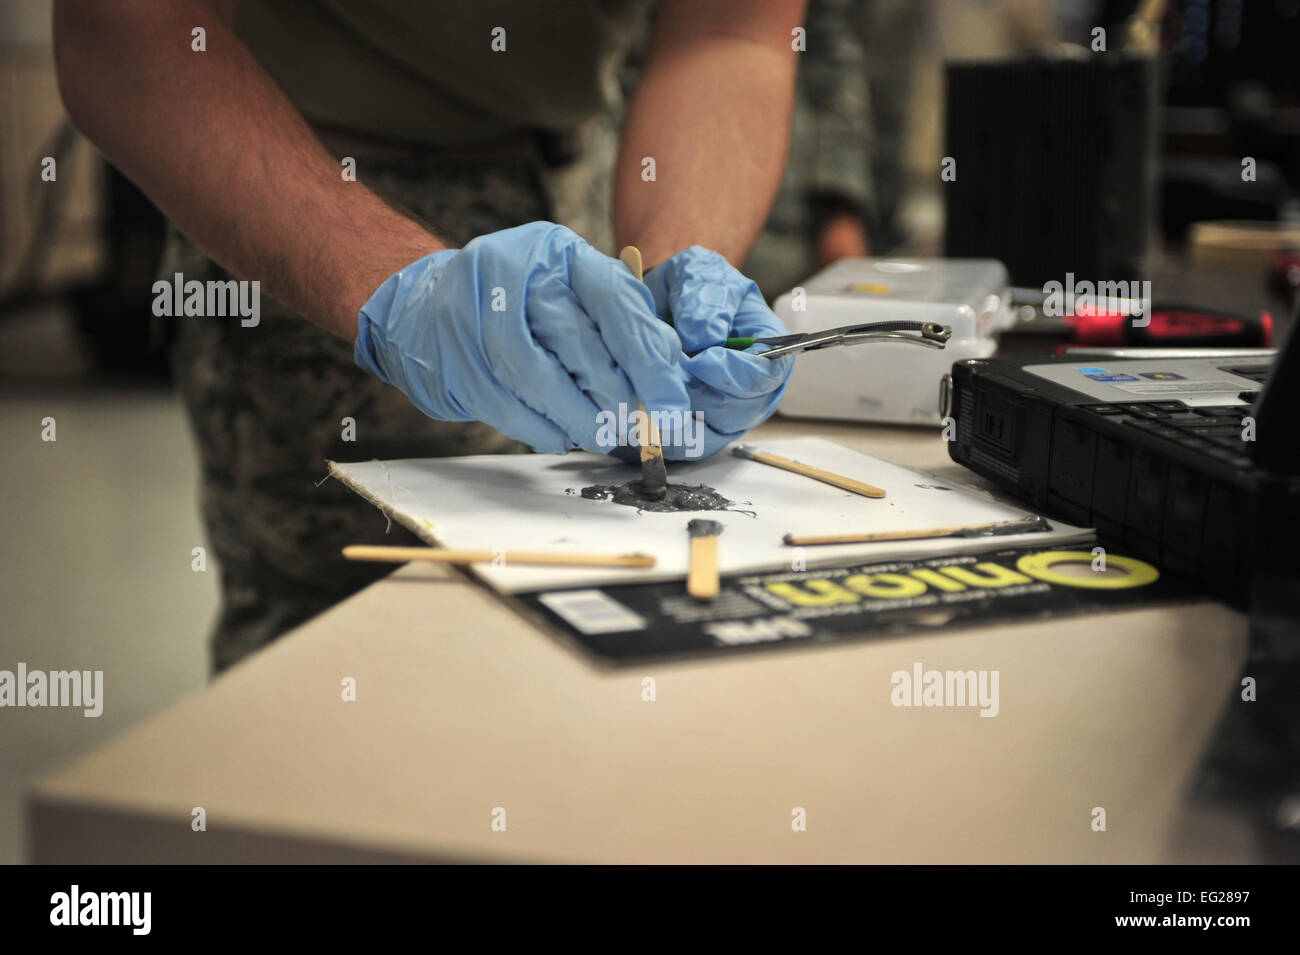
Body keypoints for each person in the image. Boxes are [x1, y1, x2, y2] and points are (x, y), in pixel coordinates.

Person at [53, 1, 805, 671]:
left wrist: (679, 277)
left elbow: (728, 34)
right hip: (304, 189)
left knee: (568, 649)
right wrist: (401, 292)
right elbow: (123, 25)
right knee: (345, 665)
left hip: (577, 178)